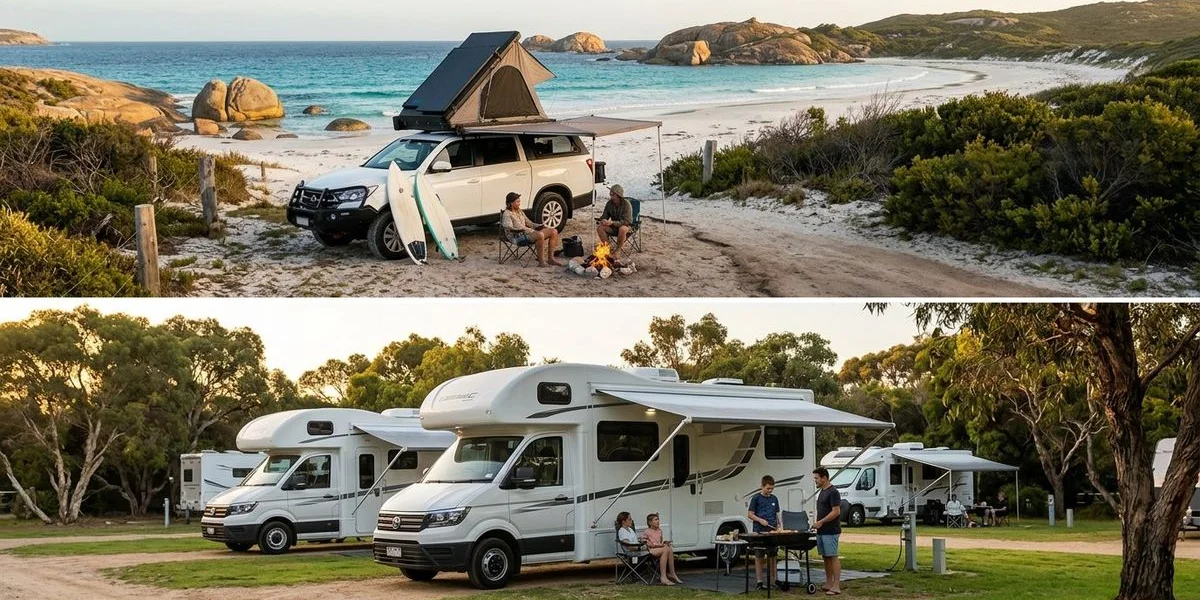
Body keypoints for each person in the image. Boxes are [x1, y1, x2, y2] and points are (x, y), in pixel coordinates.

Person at [502, 191, 561, 267]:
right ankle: (541, 262)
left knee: (553, 231)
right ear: (511, 203)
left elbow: (530, 223)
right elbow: (508, 227)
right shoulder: (507, 213)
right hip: (516, 237)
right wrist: (525, 230)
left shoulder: (519, 211)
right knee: (539, 235)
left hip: (527, 233)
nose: (519, 203)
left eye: (519, 201)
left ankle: (551, 259)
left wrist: (541, 226)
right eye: (517, 202)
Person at [747, 475, 782, 590]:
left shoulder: (774, 498)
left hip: (772, 531)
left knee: (773, 555)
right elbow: (750, 514)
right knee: (759, 556)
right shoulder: (756, 498)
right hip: (759, 530)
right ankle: (759, 582)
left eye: (772, 488)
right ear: (762, 486)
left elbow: (777, 514)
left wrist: (780, 526)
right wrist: (759, 520)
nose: (770, 491)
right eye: (768, 488)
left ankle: (774, 580)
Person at [812, 467, 842, 596]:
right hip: (822, 530)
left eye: (817, 478)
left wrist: (821, 522)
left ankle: (836, 585)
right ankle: (829, 583)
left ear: (824, 478)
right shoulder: (822, 491)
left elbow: (836, 511)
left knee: (833, 556)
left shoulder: (833, 492)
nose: (815, 481)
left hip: (831, 530)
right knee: (825, 557)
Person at [641, 512, 683, 585]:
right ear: (650, 522)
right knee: (665, 549)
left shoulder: (659, 531)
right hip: (651, 550)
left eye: (658, 519)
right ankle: (663, 577)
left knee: (668, 548)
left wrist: (665, 543)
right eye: (656, 520)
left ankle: (672, 573)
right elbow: (646, 544)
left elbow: (660, 542)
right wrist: (660, 545)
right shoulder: (647, 531)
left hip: (659, 549)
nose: (658, 521)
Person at [597, 184, 633, 253]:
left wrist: (613, 222)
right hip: (614, 227)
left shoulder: (626, 204)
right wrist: (603, 220)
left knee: (622, 229)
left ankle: (617, 251)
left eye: (613, 195)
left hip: (627, 227)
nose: (611, 197)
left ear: (619, 195)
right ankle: (608, 248)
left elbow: (627, 221)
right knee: (600, 228)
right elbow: (604, 216)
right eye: (610, 195)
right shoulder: (609, 203)